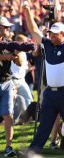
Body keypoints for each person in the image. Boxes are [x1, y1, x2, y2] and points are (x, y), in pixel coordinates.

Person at [23, 3, 64, 158]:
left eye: (55, 34)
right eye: (51, 34)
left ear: (63, 34)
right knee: (44, 126)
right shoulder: (47, 44)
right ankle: (31, 153)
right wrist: (27, 11)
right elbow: (34, 30)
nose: (52, 36)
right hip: (50, 93)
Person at [0, 16, 19, 157]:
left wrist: (18, 55)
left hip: (6, 82)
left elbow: (20, 63)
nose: (8, 29)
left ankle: (8, 147)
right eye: (5, 27)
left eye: (8, 27)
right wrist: (2, 57)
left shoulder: (9, 43)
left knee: (9, 115)